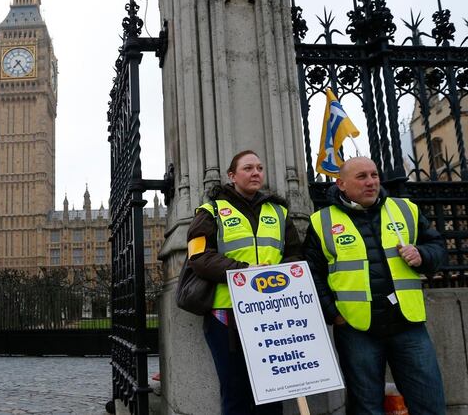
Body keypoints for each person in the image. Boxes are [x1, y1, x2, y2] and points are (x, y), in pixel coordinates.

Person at [304, 157, 446, 414]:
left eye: (374, 175)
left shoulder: (405, 209)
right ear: (342, 184)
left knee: (430, 403)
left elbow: (438, 248)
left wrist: (422, 254)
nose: (371, 182)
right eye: (362, 177)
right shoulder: (321, 221)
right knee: (366, 408)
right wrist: (333, 314)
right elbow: (312, 274)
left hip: (408, 325)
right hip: (356, 329)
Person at [186, 150, 303, 415]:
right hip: (227, 316)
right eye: (248, 168)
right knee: (235, 393)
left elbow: (296, 255)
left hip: (274, 312)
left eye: (260, 168)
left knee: (273, 393)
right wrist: (246, 272)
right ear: (232, 175)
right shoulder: (210, 211)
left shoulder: (279, 211)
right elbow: (198, 257)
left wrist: (277, 275)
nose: (256, 173)